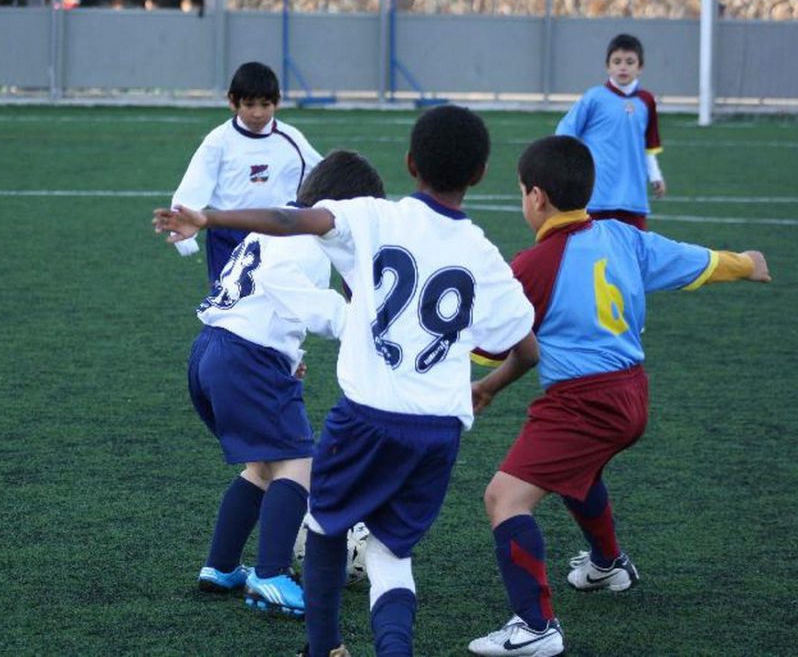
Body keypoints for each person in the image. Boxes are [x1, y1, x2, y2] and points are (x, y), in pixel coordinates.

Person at [156, 105, 540, 657]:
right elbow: (526, 348)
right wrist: (490, 386)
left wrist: (211, 219)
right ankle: (369, 634)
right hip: (438, 428)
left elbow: (294, 220)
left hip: (360, 413)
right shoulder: (484, 254)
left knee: (321, 518)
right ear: (481, 173)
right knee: (389, 552)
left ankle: (321, 645)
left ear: (410, 163)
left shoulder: (375, 218)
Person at [466, 135, 771, 657]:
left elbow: (485, 349)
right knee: (577, 475)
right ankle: (608, 566)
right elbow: (696, 261)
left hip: (582, 405)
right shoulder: (623, 237)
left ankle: (536, 627)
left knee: (504, 497)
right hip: (632, 396)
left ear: (536, 197)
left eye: (521, 192)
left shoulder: (534, 265)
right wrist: (745, 262)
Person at [188, 150, 386, 618]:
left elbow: (260, 296)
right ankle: (271, 573)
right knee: (299, 463)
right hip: (245, 359)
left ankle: (220, 566)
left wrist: (288, 354)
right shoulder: (305, 237)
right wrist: (350, 321)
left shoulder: (274, 226)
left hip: (213, 350)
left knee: (263, 466)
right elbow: (284, 283)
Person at [171, 61, 323, 285]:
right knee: (229, 302)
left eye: (265, 104)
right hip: (227, 235)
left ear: (277, 102)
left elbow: (324, 175)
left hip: (279, 234)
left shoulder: (291, 139)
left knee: (280, 300)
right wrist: (182, 226)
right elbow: (196, 182)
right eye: (249, 104)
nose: (257, 113)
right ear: (233, 102)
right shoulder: (219, 141)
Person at [555, 34, 665, 230]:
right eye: (617, 61)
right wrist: (568, 166)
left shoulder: (646, 101)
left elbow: (650, 144)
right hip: (597, 195)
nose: (623, 67)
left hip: (633, 197)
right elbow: (566, 130)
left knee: (634, 252)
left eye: (630, 62)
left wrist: (655, 175)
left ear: (640, 67)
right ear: (608, 66)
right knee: (595, 253)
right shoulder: (594, 97)